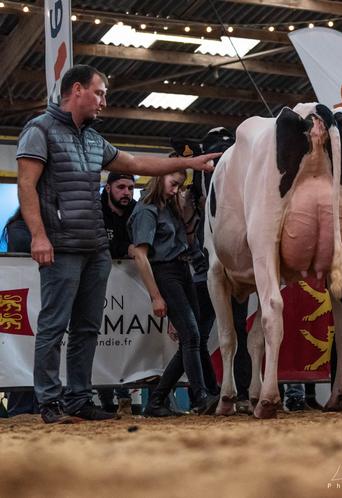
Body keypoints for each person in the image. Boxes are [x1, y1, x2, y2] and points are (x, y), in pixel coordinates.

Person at [16, 64, 217, 424]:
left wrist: (187, 161)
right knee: (53, 324)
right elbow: (27, 185)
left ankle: (78, 398)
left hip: (95, 248)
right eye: (100, 92)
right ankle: (49, 401)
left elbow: (137, 162)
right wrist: (38, 235)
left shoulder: (94, 139)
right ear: (76, 90)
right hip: (61, 246)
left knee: (87, 328)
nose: (104, 101)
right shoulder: (39, 130)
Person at [128, 171, 218, 417]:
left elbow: (188, 240)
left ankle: (157, 401)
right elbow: (140, 255)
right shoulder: (147, 210)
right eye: (173, 183)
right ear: (159, 177)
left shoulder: (170, 207)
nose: (176, 189)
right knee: (191, 336)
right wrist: (156, 295)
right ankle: (200, 397)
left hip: (182, 269)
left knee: (193, 337)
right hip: (165, 271)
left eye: (179, 185)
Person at [98, 172, 137, 415]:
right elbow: (98, 242)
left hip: (130, 286)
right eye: (121, 187)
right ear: (108, 187)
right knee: (101, 340)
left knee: (128, 339)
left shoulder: (137, 209)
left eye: (131, 188)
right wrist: (125, 248)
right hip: (100, 283)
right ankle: (104, 399)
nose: (126, 193)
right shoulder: (95, 209)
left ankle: (125, 397)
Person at [1, 210, 39, 416]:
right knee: (20, 353)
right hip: (20, 296)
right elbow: (24, 245)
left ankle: (38, 405)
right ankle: (20, 409)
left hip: (38, 295)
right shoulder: (18, 225)